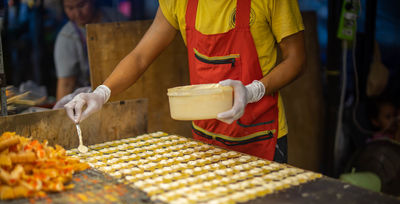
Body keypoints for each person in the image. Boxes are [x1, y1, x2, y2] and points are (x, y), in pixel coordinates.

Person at [65, 0, 306, 162]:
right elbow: (140, 57)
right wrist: (101, 93)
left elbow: (297, 59)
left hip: (259, 136)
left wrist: (253, 91)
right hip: (205, 140)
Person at [54, 0, 126, 101]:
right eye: (70, 8)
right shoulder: (66, 37)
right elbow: (66, 84)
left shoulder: (117, 19)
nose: (77, 13)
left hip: (123, 88)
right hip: (90, 99)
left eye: (81, 5)